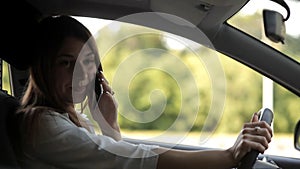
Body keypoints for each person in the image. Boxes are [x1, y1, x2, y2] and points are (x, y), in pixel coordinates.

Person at [17, 15, 273, 169]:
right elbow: (127, 160)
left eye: (87, 62)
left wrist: (109, 124)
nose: (81, 75)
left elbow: (112, 160)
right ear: (43, 68)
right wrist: (229, 155)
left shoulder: (72, 121)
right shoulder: (42, 125)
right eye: (65, 63)